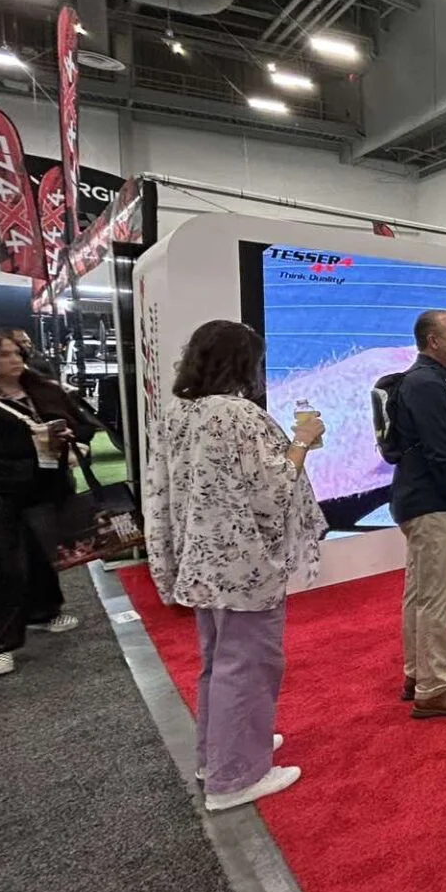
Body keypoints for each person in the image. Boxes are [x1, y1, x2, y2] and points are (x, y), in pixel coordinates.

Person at [142, 321, 326, 811]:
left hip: (201, 558)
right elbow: (274, 489)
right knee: (248, 665)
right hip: (244, 562)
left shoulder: (178, 412)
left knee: (218, 662)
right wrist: (303, 440)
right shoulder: (239, 415)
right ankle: (235, 777)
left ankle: (220, 754)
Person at [0, 332, 93, 678]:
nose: (16, 359)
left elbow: (85, 427)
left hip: (43, 485)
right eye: (5, 355)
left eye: (17, 353)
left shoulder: (44, 389)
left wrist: (66, 434)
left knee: (42, 551)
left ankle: (44, 611)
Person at [391, 310, 446, 718]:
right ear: (433, 341)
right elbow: (442, 451)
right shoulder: (427, 384)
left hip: (418, 498)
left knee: (421, 592)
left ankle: (421, 672)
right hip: (430, 502)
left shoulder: (424, 380)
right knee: (437, 596)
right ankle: (433, 687)